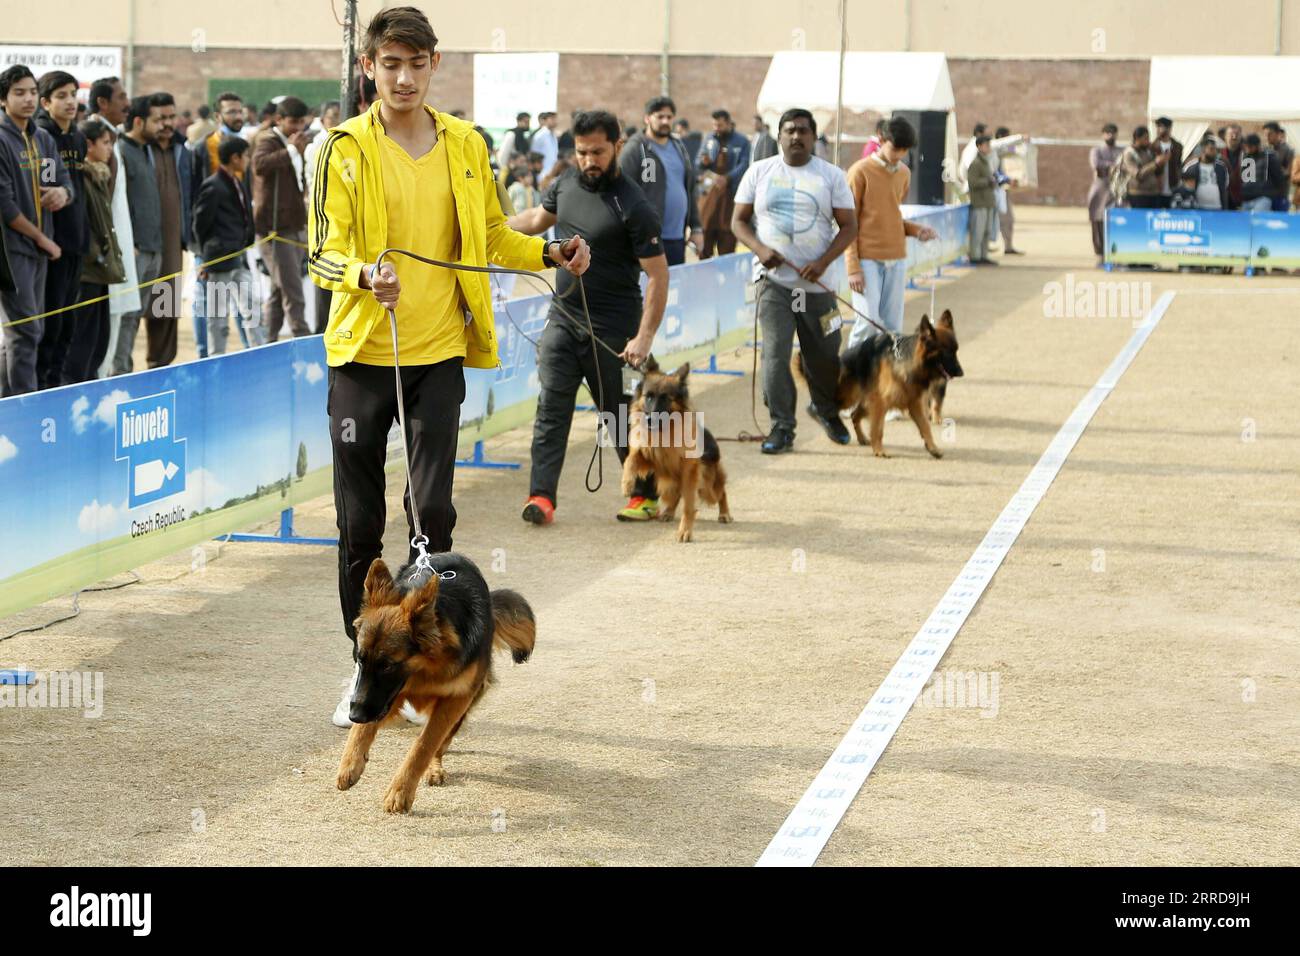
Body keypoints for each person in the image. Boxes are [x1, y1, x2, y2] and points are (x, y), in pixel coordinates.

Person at [308, 6, 588, 726]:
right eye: (390, 64)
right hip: (362, 354)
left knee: (432, 513)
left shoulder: (465, 142)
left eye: (417, 63)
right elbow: (320, 251)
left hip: (438, 352)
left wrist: (548, 253)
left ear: (435, 66)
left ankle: (415, 662)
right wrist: (364, 274)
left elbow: (492, 236)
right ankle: (365, 672)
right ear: (368, 68)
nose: (404, 77)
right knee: (359, 522)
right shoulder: (341, 149)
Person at [506, 108, 666, 524]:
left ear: (617, 146)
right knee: (551, 411)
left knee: (619, 413)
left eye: (597, 151)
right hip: (563, 320)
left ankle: (643, 495)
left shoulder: (635, 205)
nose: (589, 161)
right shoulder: (565, 183)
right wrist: (492, 229)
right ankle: (541, 498)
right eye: (581, 152)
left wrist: (644, 338)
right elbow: (536, 220)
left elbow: (659, 277)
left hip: (616, 332)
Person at [731, 108, 857, 454]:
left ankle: (826, 410)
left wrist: (823, 262)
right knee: (775, 355)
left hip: (819, 286)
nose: (796, 136)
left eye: (803, 131)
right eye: (789, 130)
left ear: (814, 137)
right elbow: (738, 221)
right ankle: (782, 427)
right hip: (774, 283)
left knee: (825, 356)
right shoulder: (759, 172)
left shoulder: (831, 176)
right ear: (779, 136)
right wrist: (759, 248)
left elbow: (849, 227)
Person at [0, 64, 72, 396]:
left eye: (32, 92)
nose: (28, 99)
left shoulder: (42, 138)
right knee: (25, 330)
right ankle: (25, 405)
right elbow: (6, 206)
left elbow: (61, 181)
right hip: (12, 249)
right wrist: (43, 238)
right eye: (19, 93)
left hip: (40, 250)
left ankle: (7, 398)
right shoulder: (2, 140)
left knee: (28, 330)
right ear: (3, 99)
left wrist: (62, 193)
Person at [842, 116, 938, 350]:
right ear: (881, 140)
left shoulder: (904, 173)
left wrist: (917, 231)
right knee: (867, 322)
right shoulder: (859, 172)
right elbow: (848, 222)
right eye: (896, 148)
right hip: (866, 260)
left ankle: (884, 377)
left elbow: (891, 215)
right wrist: (853, 267)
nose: (900, 154)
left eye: (905, 150)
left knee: (892, 326)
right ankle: (851, 372)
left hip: (896, 258)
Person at [34, 70, 89, 389]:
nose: (70, 102)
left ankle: (58, 385)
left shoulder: (78, 138)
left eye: (73, 94)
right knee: (50, 325)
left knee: (69, 323)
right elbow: (47, 189)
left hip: (77, 242)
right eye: (62, 96)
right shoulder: (44, 137)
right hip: (53, 247)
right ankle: (41, 387)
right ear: (45, 102)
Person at [85, 76, 140, 377]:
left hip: (120, 247)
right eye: (121, 97)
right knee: (103, 326)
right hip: (103, 254)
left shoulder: (112, 139)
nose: (127, 103)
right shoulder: (95, 139)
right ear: (103, 103)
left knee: (118, 320)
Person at [63, 118, 123, 384]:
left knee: (99, 339)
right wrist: (97, 257)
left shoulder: (98, 176)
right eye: (105, 143)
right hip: (88, 272)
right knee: (82, 342)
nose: (109, 149)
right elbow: (83, 226)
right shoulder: (82, 179)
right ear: (88, 144)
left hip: (101, 272)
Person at [187, 91, 246, 357]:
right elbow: (193, 194)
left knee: (244, 302)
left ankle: (248, 353)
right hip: (209, 241)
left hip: (236, 238)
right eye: (231, 112)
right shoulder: (204, 147)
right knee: (206, 303)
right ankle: (204, 355)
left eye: (239, 110)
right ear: (218, 116)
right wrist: (199, 246)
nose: (237, 116)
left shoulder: (242, 145)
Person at [253, 96, 311, 342]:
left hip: (294, 225)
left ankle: (266, 343)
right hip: (274, 228)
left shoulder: (294, 142)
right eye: (293, 122)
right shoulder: (268, 140)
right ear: (279, 120)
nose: (298, 128)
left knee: (279, 290)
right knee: (292, 290)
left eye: (301, 123)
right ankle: (302, 339)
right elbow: (259, 165)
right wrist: (289, 150)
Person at [193, 136, 257, 356]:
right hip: (219, 260)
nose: (248, 160)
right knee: (218, 317)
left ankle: (260, 353)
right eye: (246, 155)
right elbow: (200, 224)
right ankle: (215, 358)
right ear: (235, 157)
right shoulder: (213, 185)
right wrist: (207, 256)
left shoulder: (237, 181)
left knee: (252, 308)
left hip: (239, 256)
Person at [619, 95, 702, 266]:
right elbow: (621, 192)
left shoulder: (679, 147)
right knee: (649, 289)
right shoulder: (635, 149)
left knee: (673, 287)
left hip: (677, 237)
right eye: (660, 116)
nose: (665, 121)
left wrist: (696, 227)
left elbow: (689, 189)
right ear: (647, 118)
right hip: (647, 239)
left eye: (669, 117)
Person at [141, 91, 190, 369]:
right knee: (132, 309)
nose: (167, 124)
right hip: (142, 242)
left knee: (167, 305)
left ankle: (159, 366)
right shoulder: (136, 150)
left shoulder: (183, 150)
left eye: (171, 117)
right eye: (160, 118)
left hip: (172, 242)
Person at [696, 109, 750, 259]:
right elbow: (697, 162)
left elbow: (744, 164)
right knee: (705, 239)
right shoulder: (709, 139)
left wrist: (728, 178)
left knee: (727, 242)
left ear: (728, 123)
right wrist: (703, 161)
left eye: (719, 125)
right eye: (714, 125)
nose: (716, 128)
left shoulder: (742, 141)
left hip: (731, 196)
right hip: (709, 197)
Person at [1088, 123, 1123, 263]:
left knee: (1116, 222)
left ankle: (1115, 253)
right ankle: (1100, 254)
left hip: (1116, 191)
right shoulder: (1097, 150)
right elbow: (1096, 165)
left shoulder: (1122, 150)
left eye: (1113, 133)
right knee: (1098, 221)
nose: (1110, 135)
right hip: (1100, 190)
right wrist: (1113, 166)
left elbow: (1124, 164)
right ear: (1103, 134)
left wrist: (1111, 167)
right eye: (1107, 133)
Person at [966, 136, 998, 264]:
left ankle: (983, 256)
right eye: (986, 145)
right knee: (978, 232)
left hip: (988, 202)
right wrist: (988, 181)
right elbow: (972, 183)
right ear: (979, 146)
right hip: (979, 203)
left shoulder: (986, 162)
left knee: (987, 231)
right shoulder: (975, 163)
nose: (988, 148)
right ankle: (975, 256)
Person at [1121, 126, 1167, 209]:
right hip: (1138, 194)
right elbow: (1138, 174)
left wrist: (1162, 161)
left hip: (1153, 193)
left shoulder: (1149, 151)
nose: (1148, 140)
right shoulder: (1129, 153)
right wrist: (1155, 164)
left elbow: (1157, 171)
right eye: (1145, 138)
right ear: (1137, 139)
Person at [994, 125, 1023, 254]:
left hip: (1002, 189)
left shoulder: (1001, 151)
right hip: (995, 191)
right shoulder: (994, 150)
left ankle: (1008, 245)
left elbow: (1012, 149)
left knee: (1008, 219)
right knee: (1004, 219)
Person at [1239, 133, 1283, 212]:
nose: (1247, 148)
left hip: (1262, 198)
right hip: (1246, 198)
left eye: (1249, 146)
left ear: (1257, 145)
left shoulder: (1269, 157)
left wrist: (1270, 194)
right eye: (1246, 146)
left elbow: (1278, 179)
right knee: (1244, 223)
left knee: (1259, 222)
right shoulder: (1244, 157)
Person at [1188, 138, 1228, 211]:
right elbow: (1187, 188)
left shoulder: (1221, 168)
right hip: (1198, 208)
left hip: (1217, 208)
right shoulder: (1192, 167)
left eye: (1216, 149)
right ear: (1203, 150)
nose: (1215, 152)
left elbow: (1225, 185)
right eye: (1211, 149)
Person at [1262, 122, 1294, 212]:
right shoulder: (1262, 150)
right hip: (1264, 195)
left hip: (1280, 194)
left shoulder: (1288, 150)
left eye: (1269, 134)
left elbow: (1288, 172)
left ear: (1277, 134)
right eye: (1265, 134)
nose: (1267, 137)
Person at [1152, 117, 1183, 208]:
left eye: (1161, 127)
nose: (1158, 129)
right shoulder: (1152, 146)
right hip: (1157, 189)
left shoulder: (1177, 146)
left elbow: (1179, 165)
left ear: (1169, 128)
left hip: (1173, 188)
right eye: (1157, 127)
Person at [1221, 124, 1244, 209]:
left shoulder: (1247, 154)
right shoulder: (1219, 155)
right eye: (1231, 134)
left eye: (1237, 134)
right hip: (1224, 199)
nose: (1234, 137)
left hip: (1242, 199)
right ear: (1225, 136)